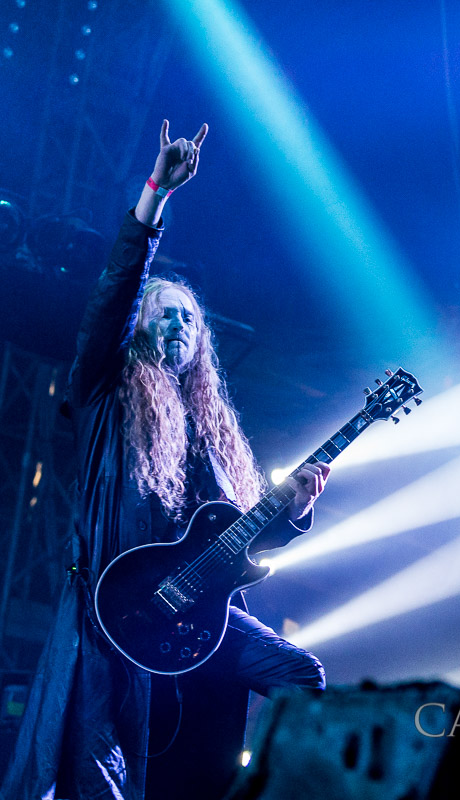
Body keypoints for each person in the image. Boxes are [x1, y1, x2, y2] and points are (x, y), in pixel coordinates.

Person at [1, 121, 332, 800]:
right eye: (164, 313)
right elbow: (113, 298)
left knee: (301, 676)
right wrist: (155, 194)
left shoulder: (214, 435)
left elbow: (237, 541)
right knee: (99, 774)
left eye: (188, 317)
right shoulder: (105, 393)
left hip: (194, 615)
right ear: (140, 330)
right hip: (112, 612)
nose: (178, 323)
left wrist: (294, 509)